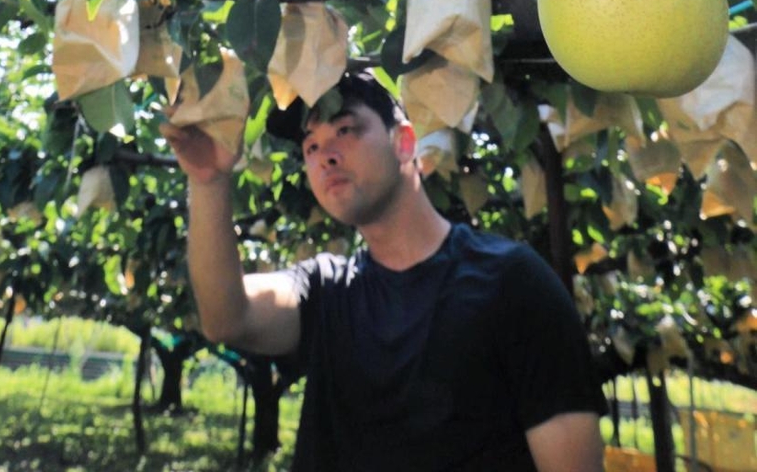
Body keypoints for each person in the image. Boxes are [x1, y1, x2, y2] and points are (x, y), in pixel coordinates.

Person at [163, 68, 605, 472]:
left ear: (404, 143)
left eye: (345, 130)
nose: (324, 156)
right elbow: (226, 318)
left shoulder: (511, 283)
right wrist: (208, 182)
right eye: (311, 145)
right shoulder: (328, 290)